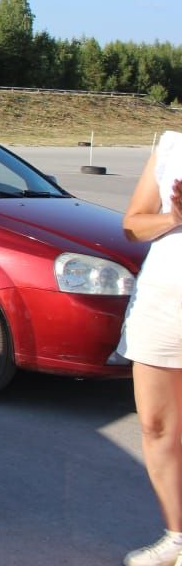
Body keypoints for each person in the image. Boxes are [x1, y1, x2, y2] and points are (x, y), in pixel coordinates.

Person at [119, 131, 182, 566]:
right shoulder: (171, 146)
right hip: (160, 305)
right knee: (157, 427)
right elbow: (133, 225)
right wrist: (173, 216)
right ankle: (177, 538)